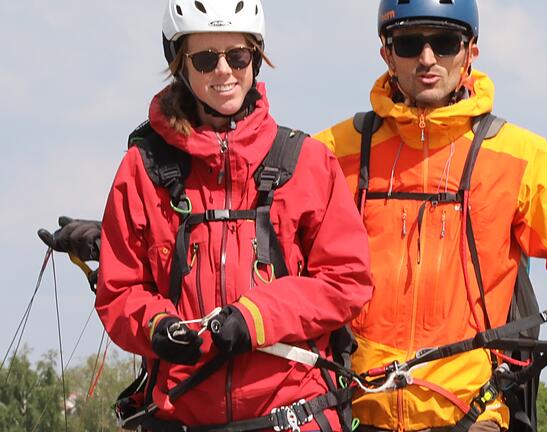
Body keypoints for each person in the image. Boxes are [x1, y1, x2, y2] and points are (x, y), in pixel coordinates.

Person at [41, 1, 547, 431]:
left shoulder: (521, 156)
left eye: (443, 41)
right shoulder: (332, 150)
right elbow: (253, 236)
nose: (426, 58)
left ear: (471, 51)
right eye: (408, 43)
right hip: (349, 406)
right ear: (385, 52)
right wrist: (115, 241)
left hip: (469, 410)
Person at [84, 0, 372, 430]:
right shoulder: (142, 169)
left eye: (236, 56)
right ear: (180, 64)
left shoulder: (307, 161)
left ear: (255, 57)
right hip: (183, 414)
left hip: (293, 413)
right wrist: (157, 326)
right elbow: (119, 290)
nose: (224, 71)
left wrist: (256, 316)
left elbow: (348, 281)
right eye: (205, 59)